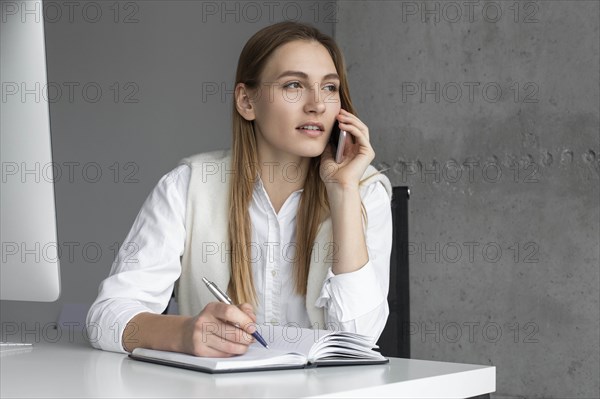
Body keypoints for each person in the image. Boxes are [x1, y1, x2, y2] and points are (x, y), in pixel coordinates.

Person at [86, 20, 393, 357]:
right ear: (247, 101)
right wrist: (186, 332)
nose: (318, 104)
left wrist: (343, 192)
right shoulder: (188, 187)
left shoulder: (364, 193)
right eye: (294, 85)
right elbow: (105, 318)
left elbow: (359, 340)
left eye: (330, 88)